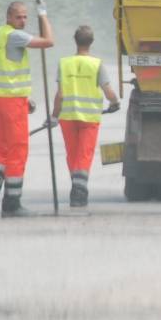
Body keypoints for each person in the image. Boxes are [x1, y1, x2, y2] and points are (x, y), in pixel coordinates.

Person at [0, 0, 54, 217]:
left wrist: (24, 98)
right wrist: (43, 14)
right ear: (9, 17)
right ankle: (12, 203)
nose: (23, 20)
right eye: (18, 17)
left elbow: (7, 68)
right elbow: (49, 41)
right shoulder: (15, 36)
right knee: (18, 150)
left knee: (2, 149)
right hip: (11, 102)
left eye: (25, 17)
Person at [51, 25, 119, 207]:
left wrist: (54, 116)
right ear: (92, 42)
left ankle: (76, 185)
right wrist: (115, 103)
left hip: (68, 117)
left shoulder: (64, 63)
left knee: (72, 154)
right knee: (84, 154)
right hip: (89, 119)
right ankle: (79, 192)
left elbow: (60, 95)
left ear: (75, 41)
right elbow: (108, 92)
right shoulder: (96, 64)